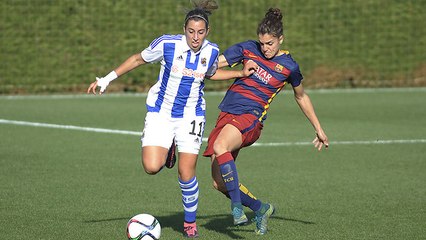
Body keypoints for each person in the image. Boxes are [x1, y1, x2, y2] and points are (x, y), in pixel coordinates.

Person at [87, 0, 257, 238]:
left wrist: (239, 73)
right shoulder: (167, 44)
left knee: (186, 173)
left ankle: (189, 223)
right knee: (151, 167)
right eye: (190, 32)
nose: (195, 37)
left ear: (207, 32)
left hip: (191, 115)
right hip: (161, 113)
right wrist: (106, 79)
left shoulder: (211, 51)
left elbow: (211, 73)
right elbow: (137, 59)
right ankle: (169, 147)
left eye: (200, 32)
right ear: (184, 29)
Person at [203, 8, 329, 235]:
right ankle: (261, 208)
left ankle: (236, 208)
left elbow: (301, 96)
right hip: (226, 115)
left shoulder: (289, 66)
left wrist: (318, 128)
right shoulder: (247, 49)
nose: (265, 48)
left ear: (281, 39)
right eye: (262, 44)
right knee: (219, 183)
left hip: (250, 117)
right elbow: (211, 66)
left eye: (270, 43)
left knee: (221, 146)